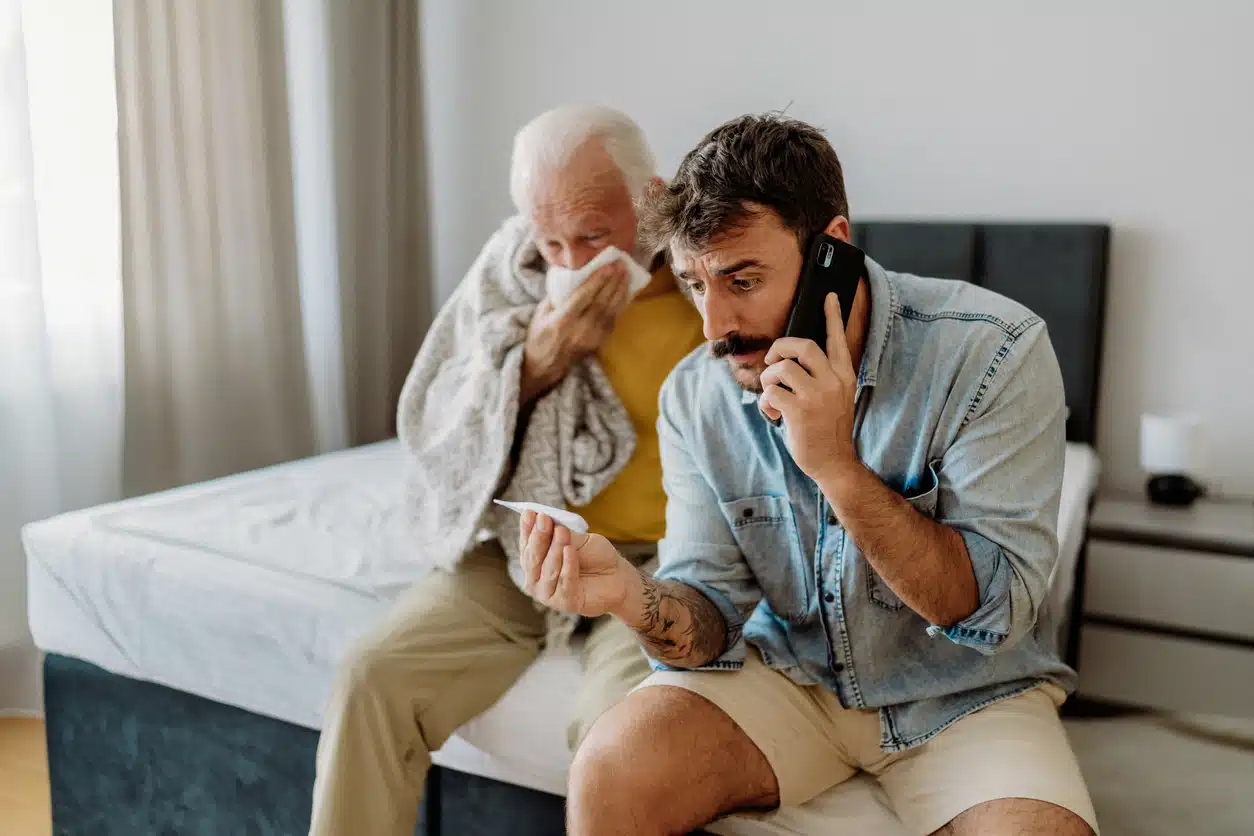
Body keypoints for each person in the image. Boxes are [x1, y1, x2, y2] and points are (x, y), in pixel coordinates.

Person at [520, 114, 1099, 836]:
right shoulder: (699, 394)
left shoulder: (993, 355)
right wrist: (631, 598)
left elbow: (989, 611)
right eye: (695, 284)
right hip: (787, 675)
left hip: (966, 696)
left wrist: (836, 467)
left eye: (743, 279)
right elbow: (709, 612)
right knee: (610, 768)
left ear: (833, 250)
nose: (713, 325)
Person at [307, 105, 705, 836]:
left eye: (593, 234)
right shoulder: (512, 271)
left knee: (620, 736)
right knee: (373, 678)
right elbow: (436, 416)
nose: (573, 261)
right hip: (529, 542)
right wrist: (536, 362)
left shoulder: (707, 278)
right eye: (551, 240)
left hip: (663, 563)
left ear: (649, 197)